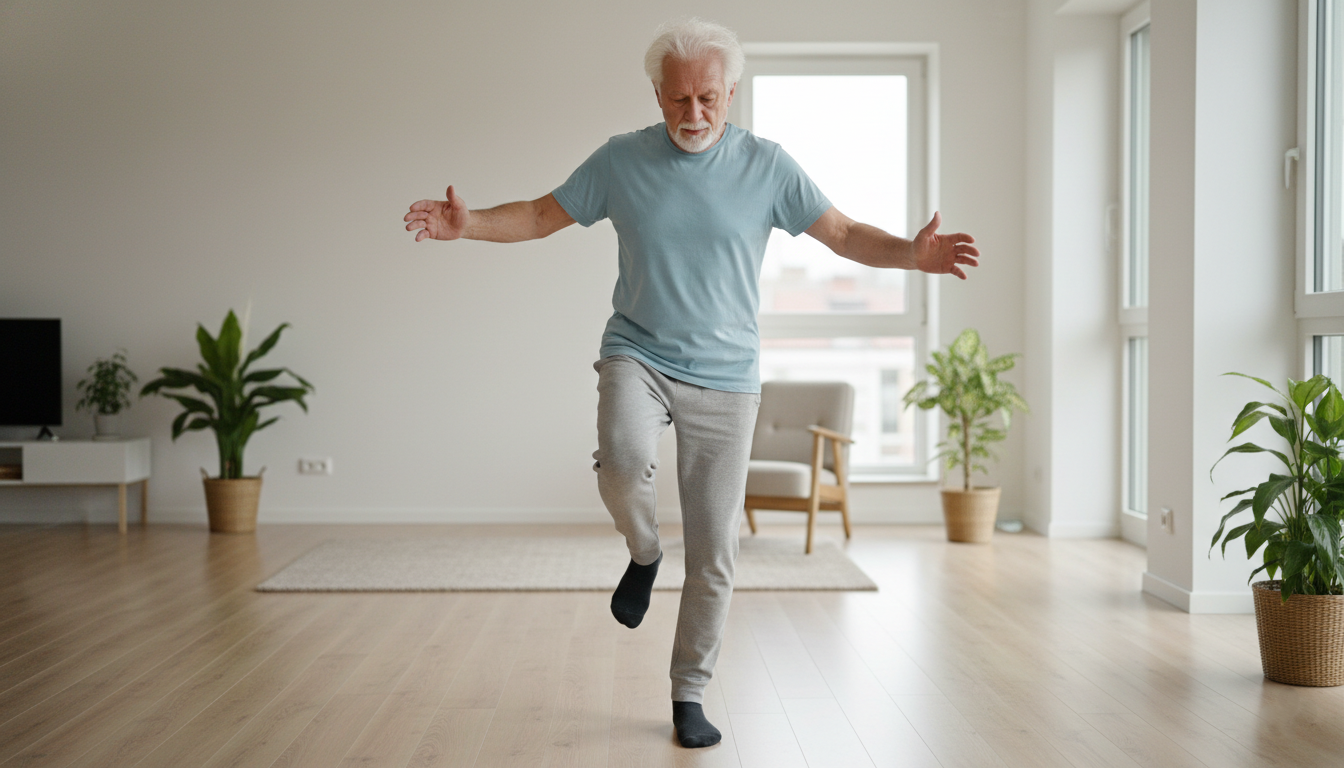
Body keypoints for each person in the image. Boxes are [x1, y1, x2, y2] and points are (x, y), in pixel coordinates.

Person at [404, 17, 980, 749]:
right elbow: (542, 215)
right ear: (656, 94)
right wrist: (470, 225)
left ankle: (689, 692)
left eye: (709, 98)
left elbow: (840, 234)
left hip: (728, 377)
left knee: (714, 551)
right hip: (637, 352)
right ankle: (644, 552)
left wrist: (911, 256)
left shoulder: (769, 166)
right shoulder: (620, 160)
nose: (694, 115)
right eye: (678, 101)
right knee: (620, 462)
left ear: (731, 92)